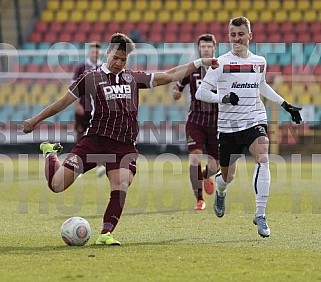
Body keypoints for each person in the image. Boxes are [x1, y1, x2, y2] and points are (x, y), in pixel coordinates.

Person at [23, 32, 218, 245]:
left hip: (124, 147)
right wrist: (35, 120)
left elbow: (170, 75)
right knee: (57, 185)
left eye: (123, 60)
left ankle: (106, 233)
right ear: (108, 52)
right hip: (95, 142)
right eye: (115, 57)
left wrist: (200, 62)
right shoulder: (91, 78)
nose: (118, 63)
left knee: (121, 182)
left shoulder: (133, 78)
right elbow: (61, 102)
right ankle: (49, 152)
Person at [195, 16, 302, 237]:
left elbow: (261, 85)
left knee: (263, 158)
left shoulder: (259, 61)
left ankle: (260, 214)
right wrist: (223, 99)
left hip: (254, 119)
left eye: (241, 34)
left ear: (249, 36)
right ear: (228, 37)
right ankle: (221, 190)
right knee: (228, 177)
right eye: (232, 35)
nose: (236, 38)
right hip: (228, 127)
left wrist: (285, 105)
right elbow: (201, 92)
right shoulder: (220, 63)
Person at [173, 34, 220, 210]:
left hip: (217, 122)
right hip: (196, 120)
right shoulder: (192, 69)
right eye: (203, 47)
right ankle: (199, 199)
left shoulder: (221, 69)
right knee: (195, 158)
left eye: (209, 47)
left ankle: (205, 176)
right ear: (198, 49)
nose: (206, 49)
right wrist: (176, 92)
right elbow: (178, 86)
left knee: (215, 166)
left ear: (214, 48)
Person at [73, 42, 105, 177]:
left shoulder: (102, 67)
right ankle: (77, 164)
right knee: (80, 134)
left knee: (97, 136)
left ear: (100, 53)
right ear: (89, 52)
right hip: (83, 105)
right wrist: (77, 104)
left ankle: (99, 164)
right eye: (93, 51)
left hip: (97, 108)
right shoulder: (81, 67)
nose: (95, 53)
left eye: (97, 51)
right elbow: (74, 87)